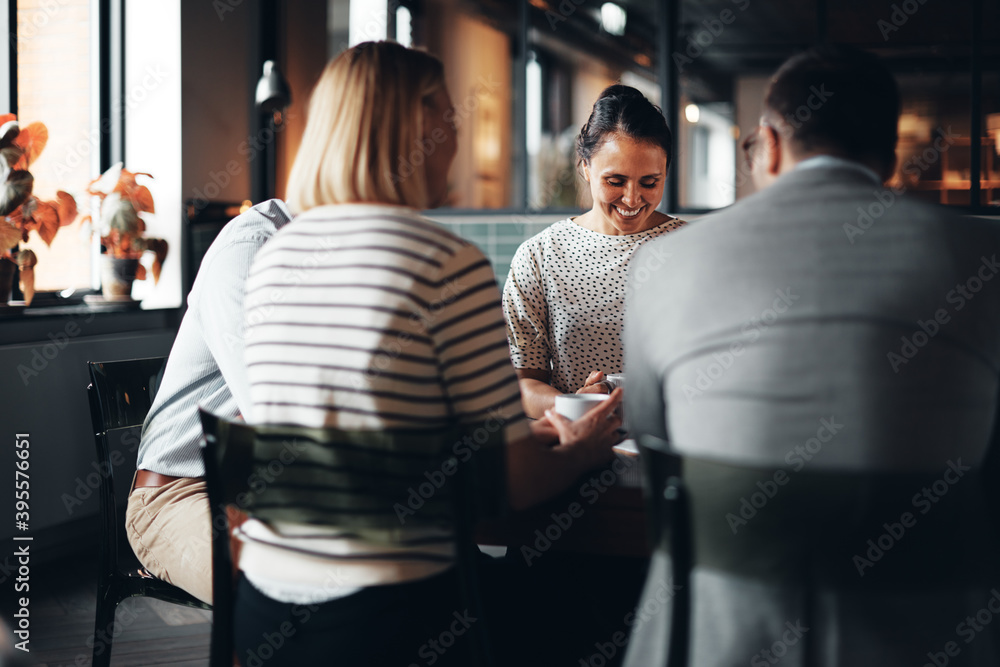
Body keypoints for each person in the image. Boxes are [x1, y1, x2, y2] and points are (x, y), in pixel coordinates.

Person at [237, 41, 622, 665]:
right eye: (449, 119)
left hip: (264, 607)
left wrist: (520, 438)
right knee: (588, 611)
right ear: (415, 129)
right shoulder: (443, 262)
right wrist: (583, 447)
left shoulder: (277, 255)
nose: (457, 140)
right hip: (385, 616)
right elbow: (513, 485)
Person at [623, 45, 1000, 666]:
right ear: (889, 160)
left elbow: (651, 435)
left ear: (768, 144)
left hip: (714, 641)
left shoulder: (664, 259)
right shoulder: (980, 257)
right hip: (924, 636)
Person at [125, 198, 291, 604]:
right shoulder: (251, 251)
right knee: (280, 585)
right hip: (180, 496)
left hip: (266, 487)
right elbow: (278, 418)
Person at [503, 84, 686, 418]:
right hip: (576, 455)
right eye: (615, 181)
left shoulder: (695, 250)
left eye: (649, 182)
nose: (632, 199)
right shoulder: (540, 256)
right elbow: (522, 382)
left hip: (675, 450)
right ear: (585, 167)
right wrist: (576, 405)